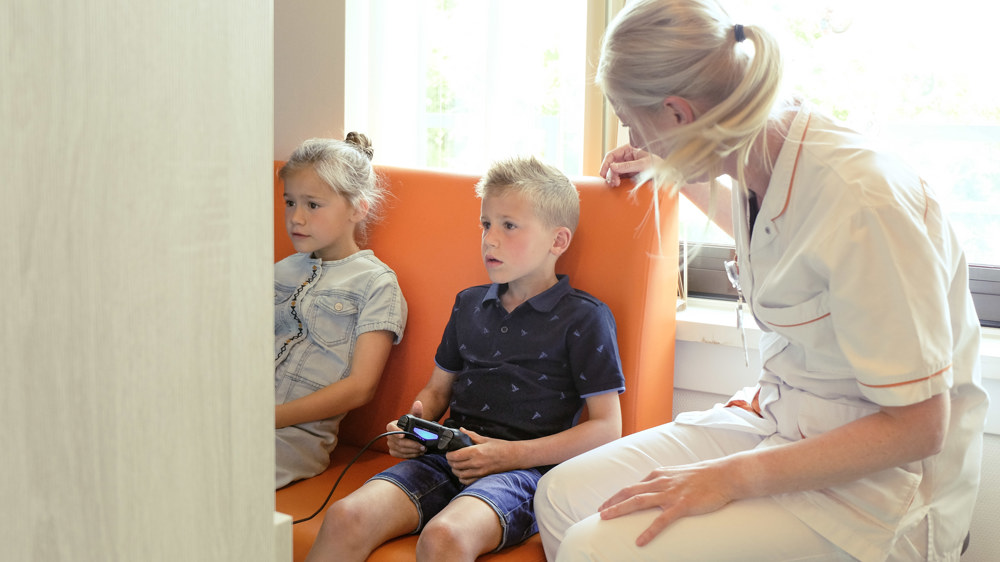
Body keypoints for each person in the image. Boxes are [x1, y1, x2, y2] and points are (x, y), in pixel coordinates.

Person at [533, 1, 989, 560]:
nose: (634, 138)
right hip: (783, 421)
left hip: (881, 487)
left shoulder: (863, 201)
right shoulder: (763, 161)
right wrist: (669, 168)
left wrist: (728, 478)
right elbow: (787, 244)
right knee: (560, 496)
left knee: (594, 547)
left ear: (677, 112)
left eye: (633, 122)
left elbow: (920, 428)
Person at [304, 156, 626, 561]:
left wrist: (509, 454)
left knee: (445, 536)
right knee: (345, 516)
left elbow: (608, 428)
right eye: (486, 224)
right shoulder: (469, 304)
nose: (490, 239)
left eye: (509, 226)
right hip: (446, 455)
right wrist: (412, 426)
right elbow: (437, 391)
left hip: (523, 473)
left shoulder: (585, 317)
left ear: (557, 241)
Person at [274, 134, 407, 489]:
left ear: (358, 209)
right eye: (290, 202)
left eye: (313, 205)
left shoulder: (376, 283)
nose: (296, 218)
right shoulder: (280, 271)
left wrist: (268, 418)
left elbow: (360, 387)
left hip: (291, 439)